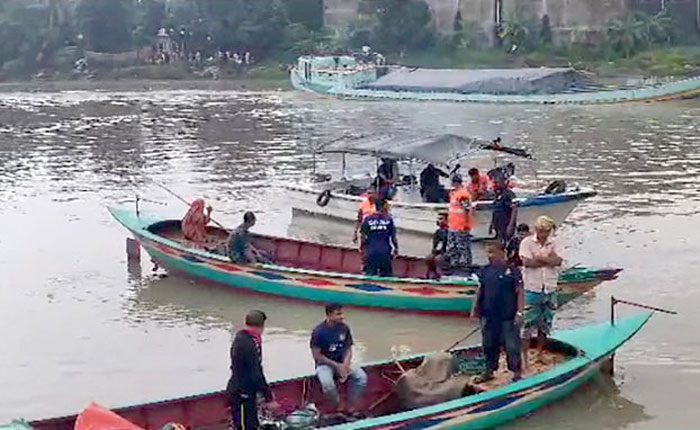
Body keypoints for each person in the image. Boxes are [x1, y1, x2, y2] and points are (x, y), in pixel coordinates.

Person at [472, 242, 524, 382]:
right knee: (488, 344)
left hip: (508, 315)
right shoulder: (485, 270)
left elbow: (519, 291)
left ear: (502, 253)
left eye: (492, 252)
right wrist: (474, 309)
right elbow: (480, 289)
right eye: (488, 253)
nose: (490, 256)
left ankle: (516, 372)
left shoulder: (513, 271)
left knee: (512, 345)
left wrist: (520, 312)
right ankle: (489, 371)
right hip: (488, 315)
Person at [226, 310, 280, 430]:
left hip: (247, 390)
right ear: (262, 326)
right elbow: (255, 372)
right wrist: (268, 398)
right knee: (245, 426)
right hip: (241, 392)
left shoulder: (243, 338)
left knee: (252, 424)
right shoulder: (247, 344)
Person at [519, 216, 563, 360]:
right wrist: (548, 259)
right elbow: (527, 263)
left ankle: (540, 353)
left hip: (550, 287)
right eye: (541, 230)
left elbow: (558, 261)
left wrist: (539, 258)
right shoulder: (527, 242)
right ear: (536, 229)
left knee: (545, 324)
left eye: (546, 231)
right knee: (527, 324)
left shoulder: (555, 242)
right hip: (532, 288)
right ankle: (524, 356)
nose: (544, 233)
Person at [310, 304, 367, 414]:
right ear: (329, 315)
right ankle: (338, 405)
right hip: (325, 364)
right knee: (327, 384)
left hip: (342, 361)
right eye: (338, 314)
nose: (342, 316)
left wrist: (345, 364)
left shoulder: (344, 328)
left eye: (342, 313)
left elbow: (348, 349)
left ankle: (351, 404)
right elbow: (317, 356)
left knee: (361, 377)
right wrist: (337, 366)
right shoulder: (318, 332)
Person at [360, 199, 398, 277]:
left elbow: (363, 237)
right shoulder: (389, 220)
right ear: (384, 207)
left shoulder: (368, 219)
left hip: (371, 251)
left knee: (369, 275)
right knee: (387, 275)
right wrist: (396, 249)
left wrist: (362, 249)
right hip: (385, 251)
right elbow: (393, 237)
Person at [446, 175, 474, 272]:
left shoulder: (463, 194)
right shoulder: (454, 193)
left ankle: (467, 264)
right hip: (453, 225)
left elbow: (466, 209)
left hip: (461, 226)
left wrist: (466, 224)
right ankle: (454, 263)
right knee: (453, 246)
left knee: (463, 246)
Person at [490, 173, 518, 243]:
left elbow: (515, 209)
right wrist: (492, 224)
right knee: (499, 242)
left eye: (499, 181)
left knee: (508, 243)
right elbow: (495, 210)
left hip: (506, 223)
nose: (497, 183)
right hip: (498, 224)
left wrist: (510, 225)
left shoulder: (510, 194)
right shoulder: (497, 193)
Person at [426, 212, 448, 279]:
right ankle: (433, 273)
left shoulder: (449, 232)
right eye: (438, 219)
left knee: (438, 259)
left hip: (446, 252)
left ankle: (441, 274)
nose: (439, 221)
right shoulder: (438, 231)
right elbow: (435, 244)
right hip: (439, 251)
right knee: (429, 258)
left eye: (441, 219)